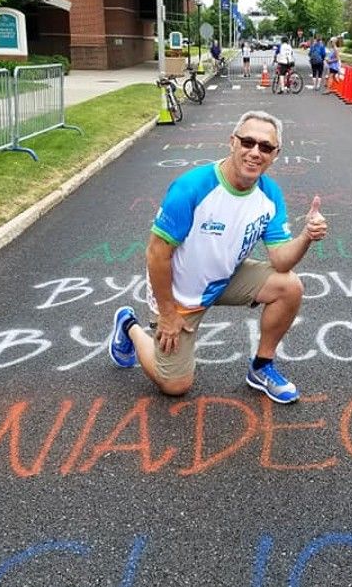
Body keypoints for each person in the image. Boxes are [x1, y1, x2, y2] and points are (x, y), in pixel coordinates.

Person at [108, 111, 329, 403]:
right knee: (175, 385)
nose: (254, 152)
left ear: (275, 154)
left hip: (223, 277)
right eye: (247, 142)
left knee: (289, 286)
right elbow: (156, 255)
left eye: (265, 147)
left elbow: (281, 261)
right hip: (178, 294)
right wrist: (168, 313)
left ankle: (261, 367)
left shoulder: (269, 194)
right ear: (232, 142)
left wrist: (306, 237)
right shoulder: (192, 187)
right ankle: (129, 326)